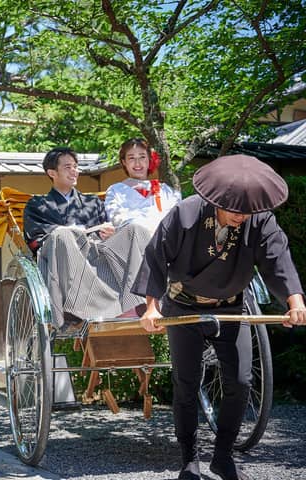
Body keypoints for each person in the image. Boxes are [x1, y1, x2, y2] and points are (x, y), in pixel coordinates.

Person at [133, 154, 306, 480]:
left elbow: (278, 260)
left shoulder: (260, 220)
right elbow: (156, 258)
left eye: (247, 210)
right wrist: (151, 307)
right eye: (234, 210)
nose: (242, 216)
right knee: (186, 383)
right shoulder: (186, 212)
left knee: (241, 381)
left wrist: (295, 302)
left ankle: (223, 454)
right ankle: (189, 457)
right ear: (216, 200)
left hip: (231, 307)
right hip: (184, 306)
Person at [24, 146, 151, 329]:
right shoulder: (38, 204)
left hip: (96, 253)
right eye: (68, 167)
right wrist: (72, 232)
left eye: (75, 166)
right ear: (52, 172)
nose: (74, 171)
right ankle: (82, 309)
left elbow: (106, 232)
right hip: (63, 256)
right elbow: (37, 239)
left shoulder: (92, 202)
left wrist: (109, 232)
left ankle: (137, 302)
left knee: (134, 230)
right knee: (63, 234)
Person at [104, 138, 181, 232]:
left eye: (142, 157)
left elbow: (175, 220)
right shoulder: (115, 191)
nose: (137, 163)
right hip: (133, 241)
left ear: (149, 159)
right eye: (131, 158)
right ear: (124, 162)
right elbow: (117, 219)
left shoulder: (166, 191)